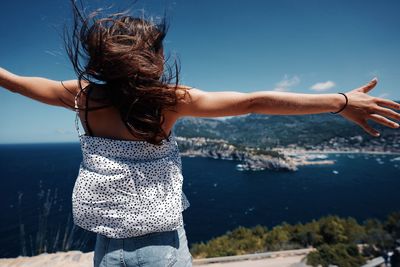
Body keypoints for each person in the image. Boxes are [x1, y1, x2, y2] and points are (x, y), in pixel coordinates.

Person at [1, 1, 400, 266]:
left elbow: (18, 83)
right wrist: (341, 102)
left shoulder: (82, 96)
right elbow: (251, 102)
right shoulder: (168, 101)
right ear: (151, 57)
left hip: (106, 247)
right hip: (162, 246)